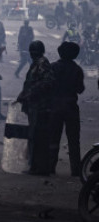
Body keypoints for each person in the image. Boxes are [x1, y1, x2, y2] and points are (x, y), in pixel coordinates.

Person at [15, 40, 55, 175]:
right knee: (34, 137)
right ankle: (35, 166)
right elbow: (30, 83)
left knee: (38, 138)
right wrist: (22, 95)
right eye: (31, 51)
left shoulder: (43, 63)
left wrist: (30, 93)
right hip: (34, 106)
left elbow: (47, 82)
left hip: (40, 107)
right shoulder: (36, 63)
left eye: (34, 51)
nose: (32, 54)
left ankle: (39, 168)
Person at [48, 40, 85, 177]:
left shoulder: (53, 67)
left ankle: (51, 166)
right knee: (74, 140)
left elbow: (47, 86)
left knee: (53, 138)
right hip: (71, 107)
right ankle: (75, 170)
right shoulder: (77, 70)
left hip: (55, 106)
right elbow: (80, 89)